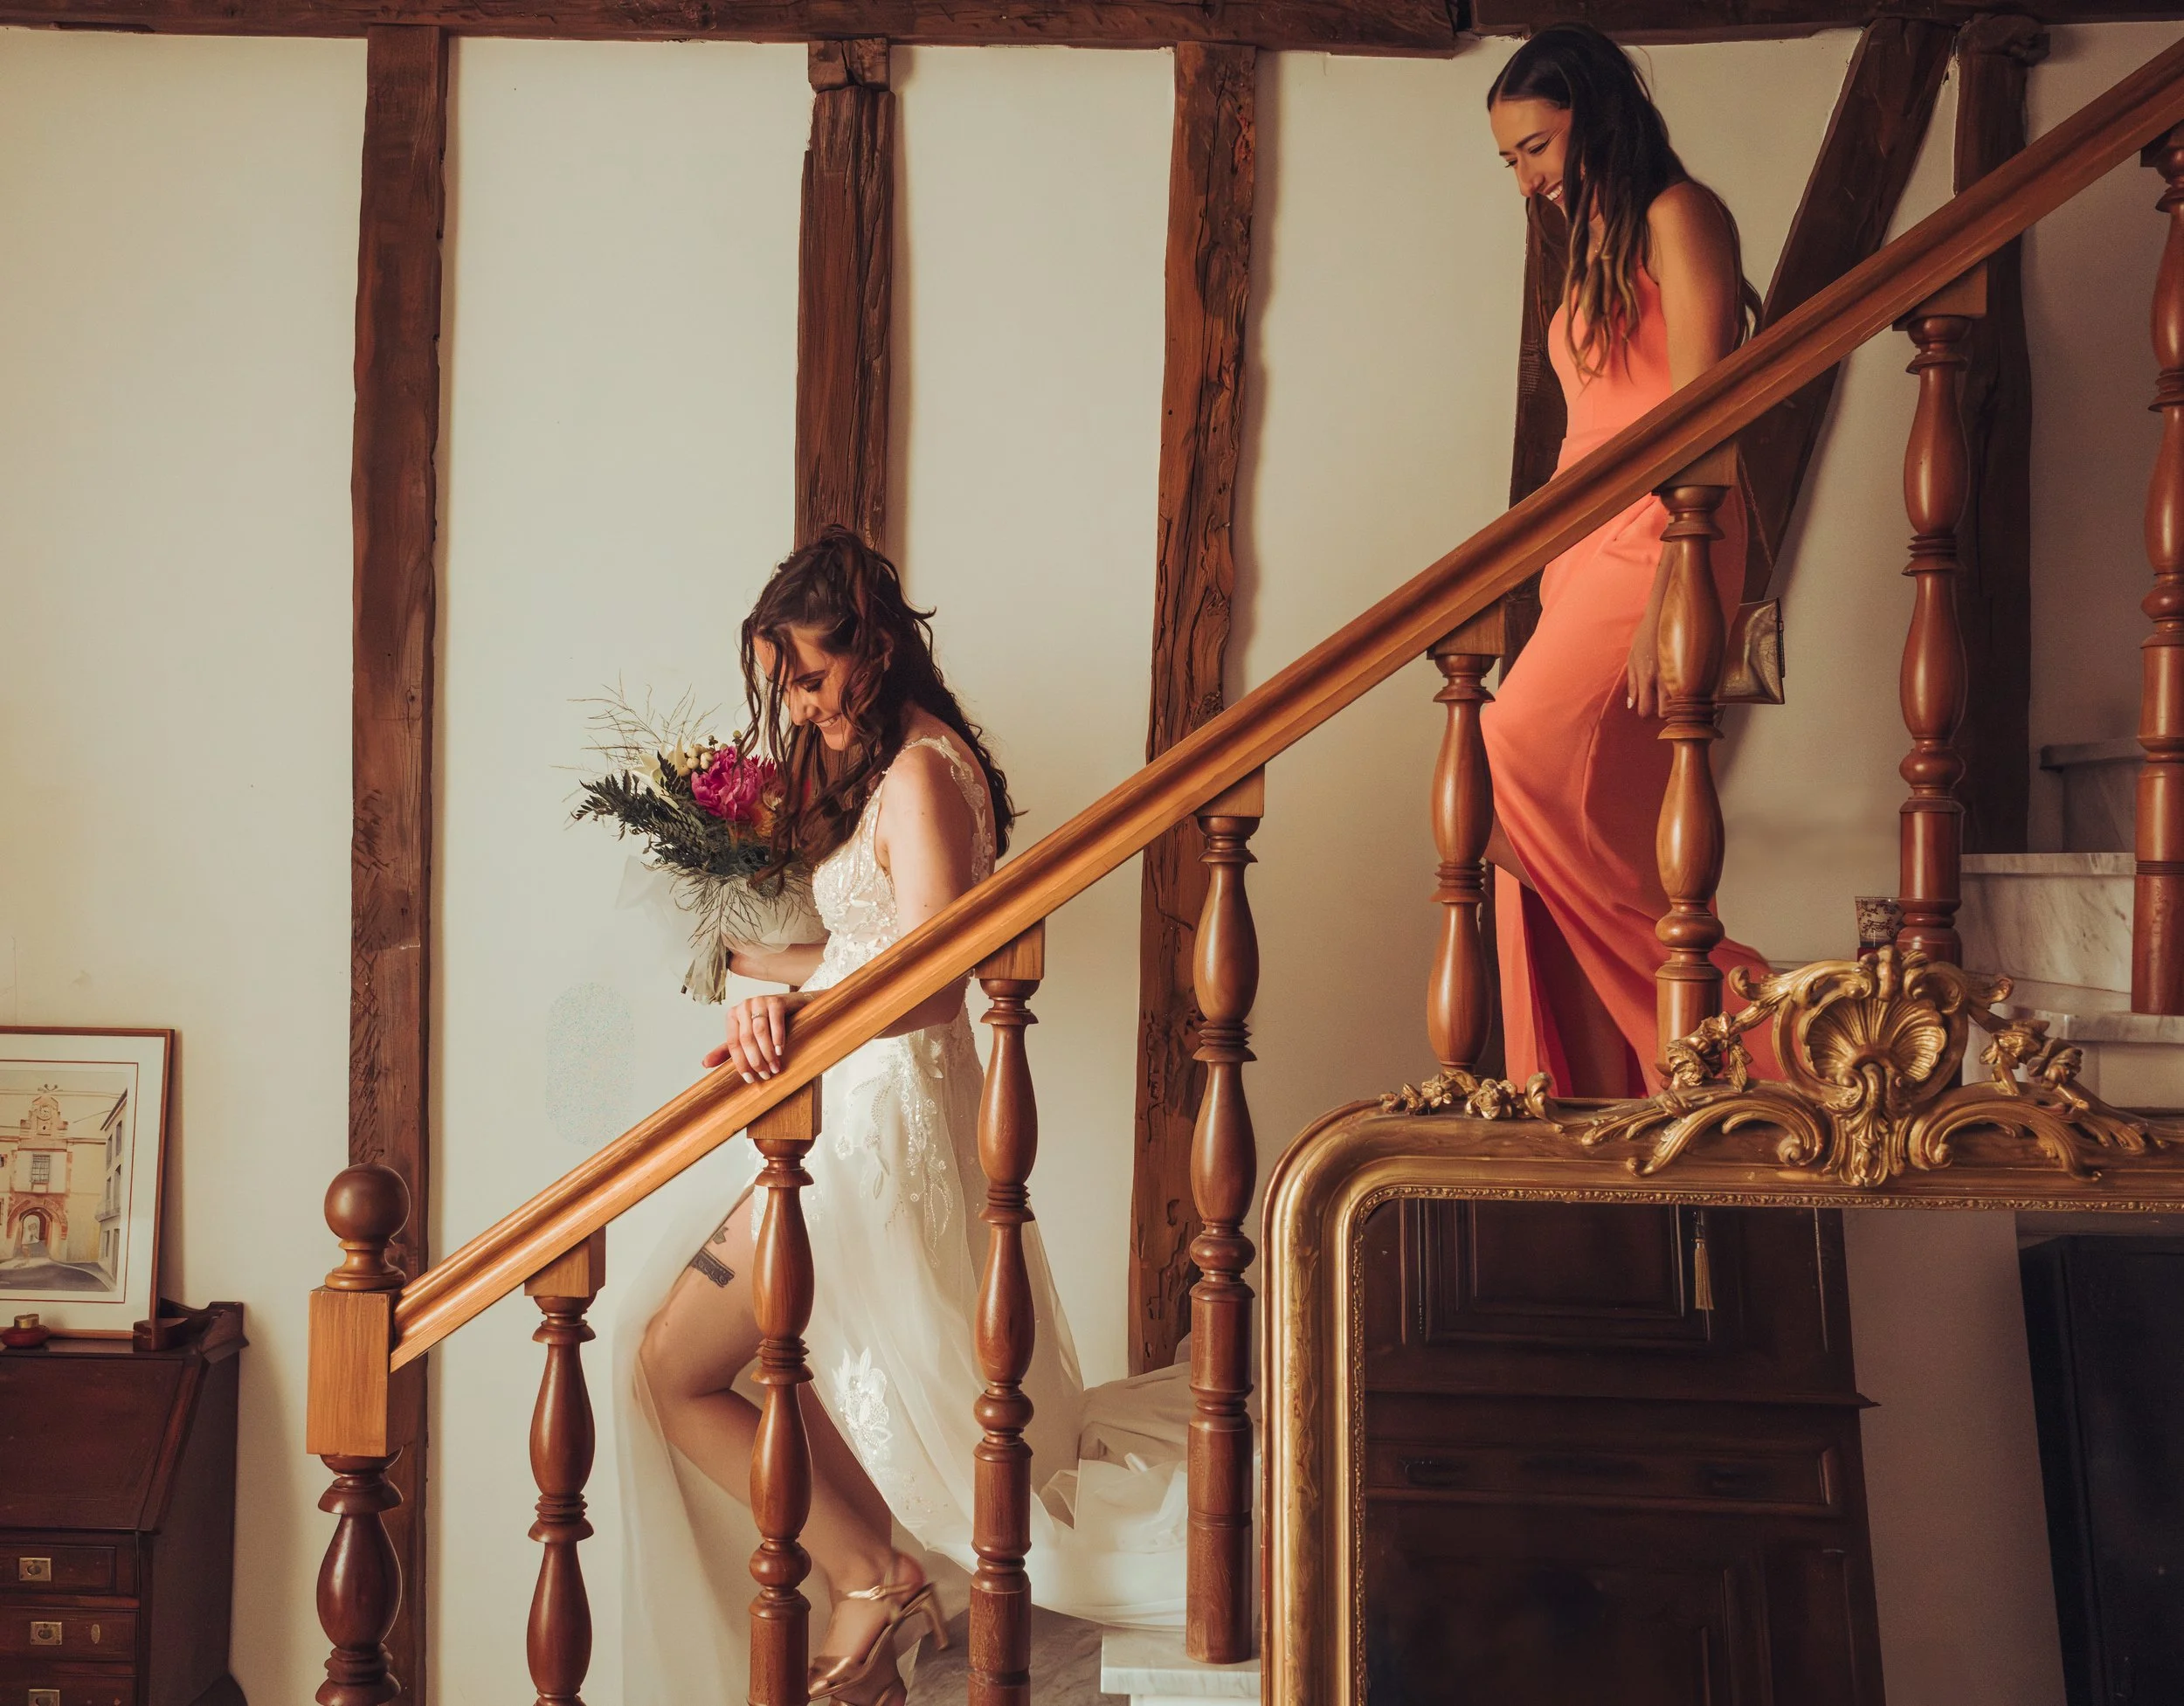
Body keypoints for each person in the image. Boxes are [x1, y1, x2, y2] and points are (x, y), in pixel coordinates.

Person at [615, 528, 1190, 1706]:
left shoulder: (925, 775)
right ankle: (873, 1572)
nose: (807, 707)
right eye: (791, 686)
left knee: (680, 1361)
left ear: (875, 650)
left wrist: (796, 1013)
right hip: (855, 1110)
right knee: (722, 1360)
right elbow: (866, 947)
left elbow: (932, 977)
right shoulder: (901, 763)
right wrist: (753, 962)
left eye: (816, 678)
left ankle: (872, 1575)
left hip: (885, 1127)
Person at [1480, 24, 1776, 1096]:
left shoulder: (1677, 214)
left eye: (1540, 146)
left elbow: (1704, 406)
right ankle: (1590, 1085)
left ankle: (1757, 1045)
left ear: (1597, 116)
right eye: (1511, 158)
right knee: (1535, 836)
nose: (1528, 178)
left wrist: (1676, 578)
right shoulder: (1593, 244)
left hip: (1666, 530)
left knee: (1510, 753)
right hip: (1585, 546)